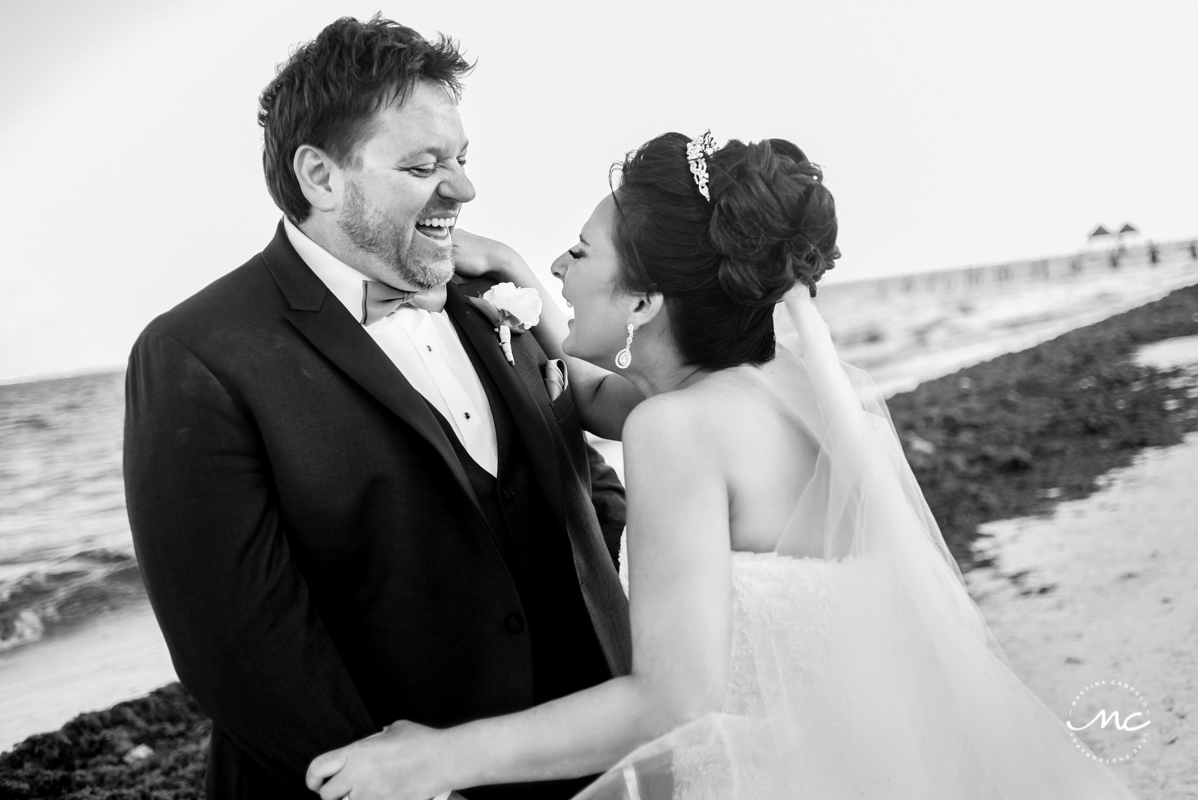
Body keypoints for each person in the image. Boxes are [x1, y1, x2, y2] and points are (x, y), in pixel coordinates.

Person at [306, 132, 1142, 799]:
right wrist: (523, 282)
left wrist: (435, 762)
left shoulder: (677, 432)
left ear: (643, 302)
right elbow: (595, 394)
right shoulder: (790, 391)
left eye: (577, 252)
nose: (560, 267)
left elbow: (673, 701)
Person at [123, 16, 634, 800]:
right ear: (322, 178)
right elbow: (241, 648)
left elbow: (586, 487)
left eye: (462, 159)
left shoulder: (492, 299)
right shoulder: (197, 355)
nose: (463, 188)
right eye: (425, 165)